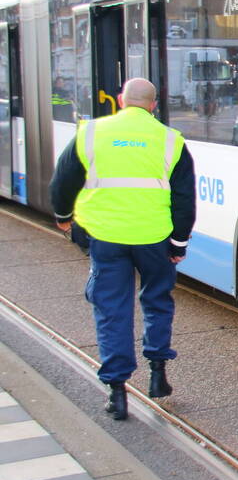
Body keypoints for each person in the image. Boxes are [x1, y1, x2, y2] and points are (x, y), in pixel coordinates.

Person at [50, 78, 196, 420]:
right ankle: (158, 373)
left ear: (120, 100)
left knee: (112, 309)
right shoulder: (170, 140)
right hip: (154, 238)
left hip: (106, 238)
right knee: (157, 301)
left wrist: (64, 218)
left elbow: (63, 181)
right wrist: (178, 242)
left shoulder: (90, 133)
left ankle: (117, 392)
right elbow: (184, 198)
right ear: (154, 105)